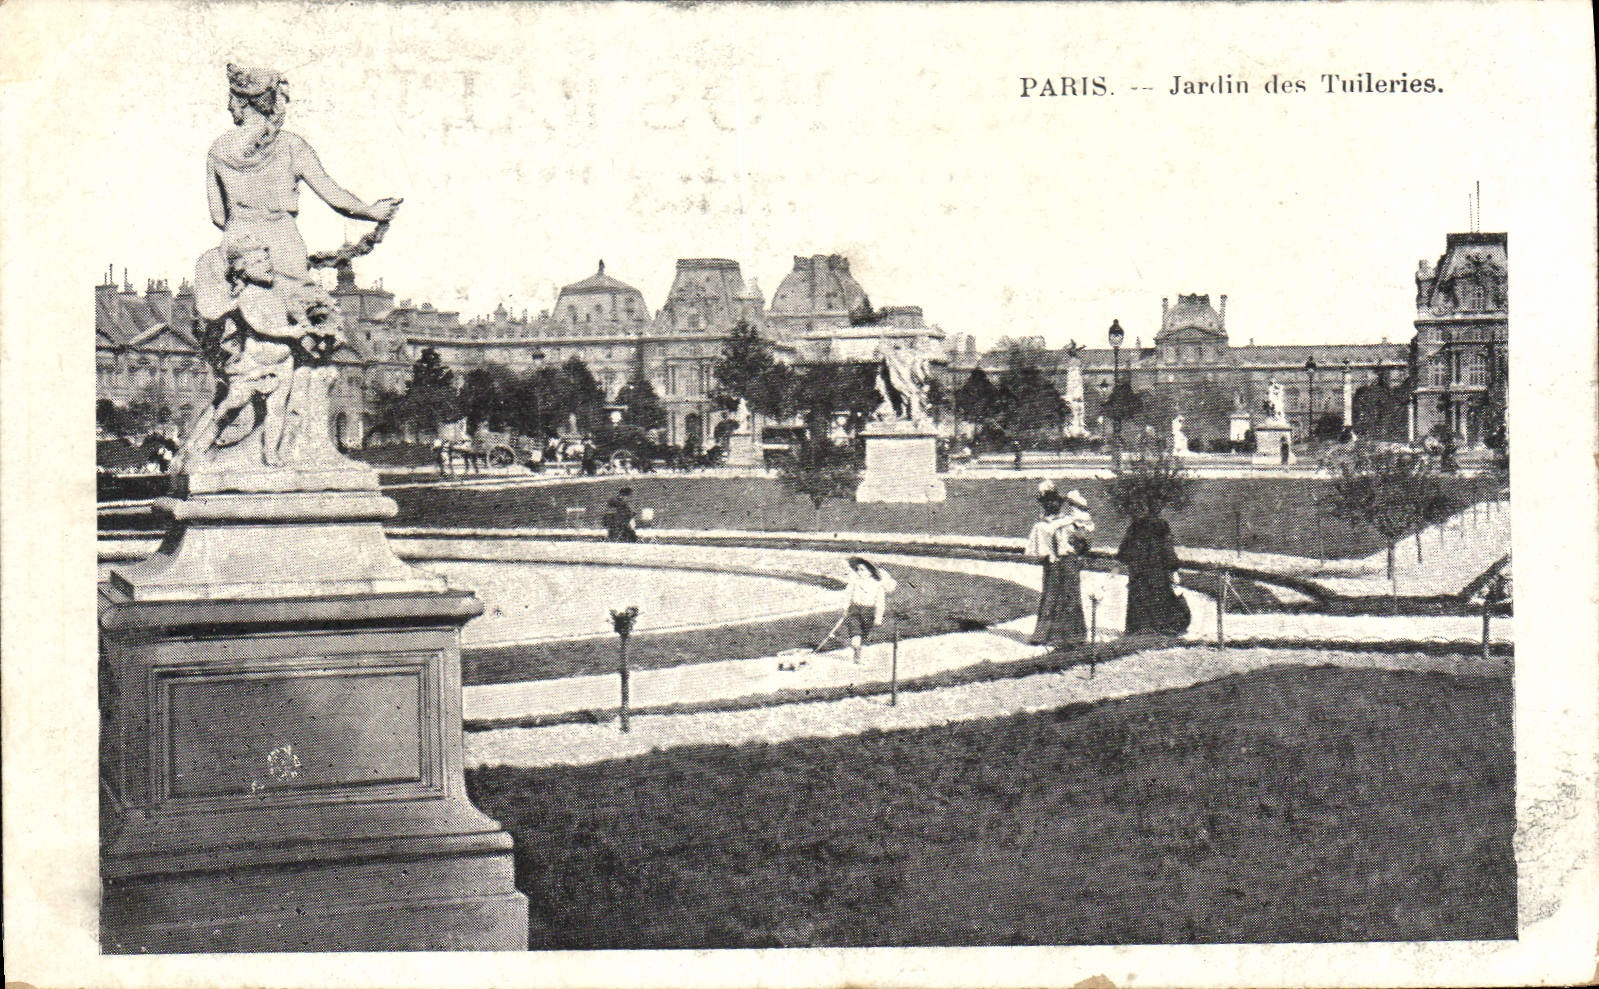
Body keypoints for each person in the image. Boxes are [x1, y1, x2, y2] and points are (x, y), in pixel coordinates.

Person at [208, 64, 400, 281]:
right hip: (282, 243)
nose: (228, 106)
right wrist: (372, 212)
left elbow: (217, 216)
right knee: (300, 310)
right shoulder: (292, 146)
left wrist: (246, 227)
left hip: (238, 249)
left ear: (243, 101)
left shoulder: (218, 149)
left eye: (231, 99)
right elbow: (335, 198)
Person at [1027, 484, 1091, 648]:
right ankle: (1044, 634)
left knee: (1070, 595)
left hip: (1069, 561)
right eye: (1048, 502)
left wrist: (1080, 550)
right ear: (1043, 505)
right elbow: (1039, 549)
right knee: (1050, 595)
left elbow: (1084, 539)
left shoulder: (1071, 521)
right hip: (1052, 563)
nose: (1052, 505)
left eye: (1055, 502)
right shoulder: (1041, 525)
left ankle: (1073, 636)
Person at [1118, 509, 1187, 635]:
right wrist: (1174, 568)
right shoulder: (1161, 526)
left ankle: (1138, 629)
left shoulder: (1135, 526)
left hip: (1138, 574)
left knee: (1139, 599)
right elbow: (1168, 551)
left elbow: (1123, 552)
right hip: (1158, 574)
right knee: (1159, 599)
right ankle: (1158, 629)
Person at [832, 556, 897, 663]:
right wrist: (845, 608)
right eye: (858, 570)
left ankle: (858, 652)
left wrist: (878, 618)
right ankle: (856, 653)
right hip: (855, 610)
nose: (859, 572)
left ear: (870, 572)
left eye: (862, 570)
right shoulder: (854, 583)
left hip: (869, 612)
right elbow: (847, 596)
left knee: (863, 635)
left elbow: (880, 603)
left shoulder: (877, 585)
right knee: (855, 634)